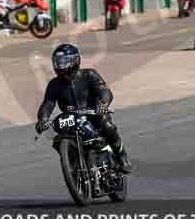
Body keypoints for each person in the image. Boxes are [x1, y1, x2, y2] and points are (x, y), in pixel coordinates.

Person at [35, 44, 133, 173]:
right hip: (72, 120)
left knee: (108, 126)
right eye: (57, 62)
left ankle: (121, 156)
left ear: (75, 60)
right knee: (57, 140)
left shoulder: (89, 74)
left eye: (63, 62)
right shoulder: (54, 85)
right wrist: (43, 118)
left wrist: (103, 104)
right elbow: (48, 104)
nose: (59, 66)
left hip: (95, 114)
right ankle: (73, 164)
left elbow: (104, 90)